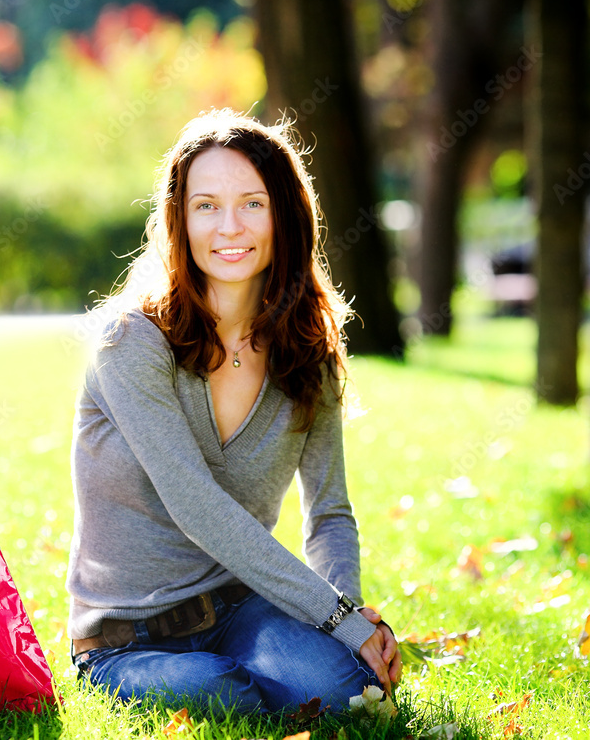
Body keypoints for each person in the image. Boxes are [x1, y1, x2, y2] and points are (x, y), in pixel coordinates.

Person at [66, 109, 402, 714]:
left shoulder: (309, 354)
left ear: (283, 216)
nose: (229, 227)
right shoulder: (130, 340)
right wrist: (337, 620)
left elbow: (329, 512)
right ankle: (235, 681)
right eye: (206, 206)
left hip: (240, 606)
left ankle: (286, 670)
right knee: (222, 695)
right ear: (179, 219)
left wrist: (347, 622)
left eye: (252, 203)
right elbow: (196, 505)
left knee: (343, 687)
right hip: (125, 639)